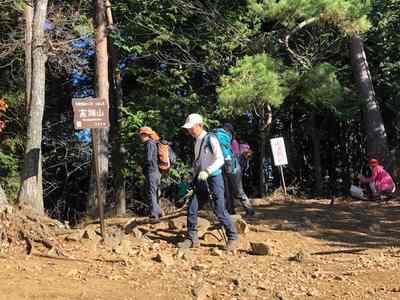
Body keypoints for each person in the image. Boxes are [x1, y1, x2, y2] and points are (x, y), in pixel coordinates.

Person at [177, 113, 239, 250]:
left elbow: (220, 159)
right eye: (188, 128)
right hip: (201, 179)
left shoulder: (211, 138)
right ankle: (192, 238)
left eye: (191, 128)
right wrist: (191, 174)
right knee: (192, 208)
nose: (189, 131)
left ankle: (233, 237)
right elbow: (198, 162)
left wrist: (208, 171)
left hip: (214, 179)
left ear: (200, 125)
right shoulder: (197, 142)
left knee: (220, 210)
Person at [223, 123, 255, 216]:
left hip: (233, 165)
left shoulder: (233, 142)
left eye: (227, 130)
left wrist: (232, 169)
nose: (225, 132)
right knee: (228, 191)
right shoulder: (228, 141)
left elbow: (235, 156)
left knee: (238, 190)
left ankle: (249, 210)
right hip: (228, 166)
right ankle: (230, 211)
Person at [138, 126, 161, 222]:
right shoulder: (153, 143)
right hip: (155, 172)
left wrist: (141, 166)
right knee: (154, 192)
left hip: (152, 172)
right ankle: (158, 212)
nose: (140, 137)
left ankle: (154, 216)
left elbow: (149, 158)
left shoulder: (149, 143)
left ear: (145, 134)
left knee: (151, 193)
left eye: (140, 135)